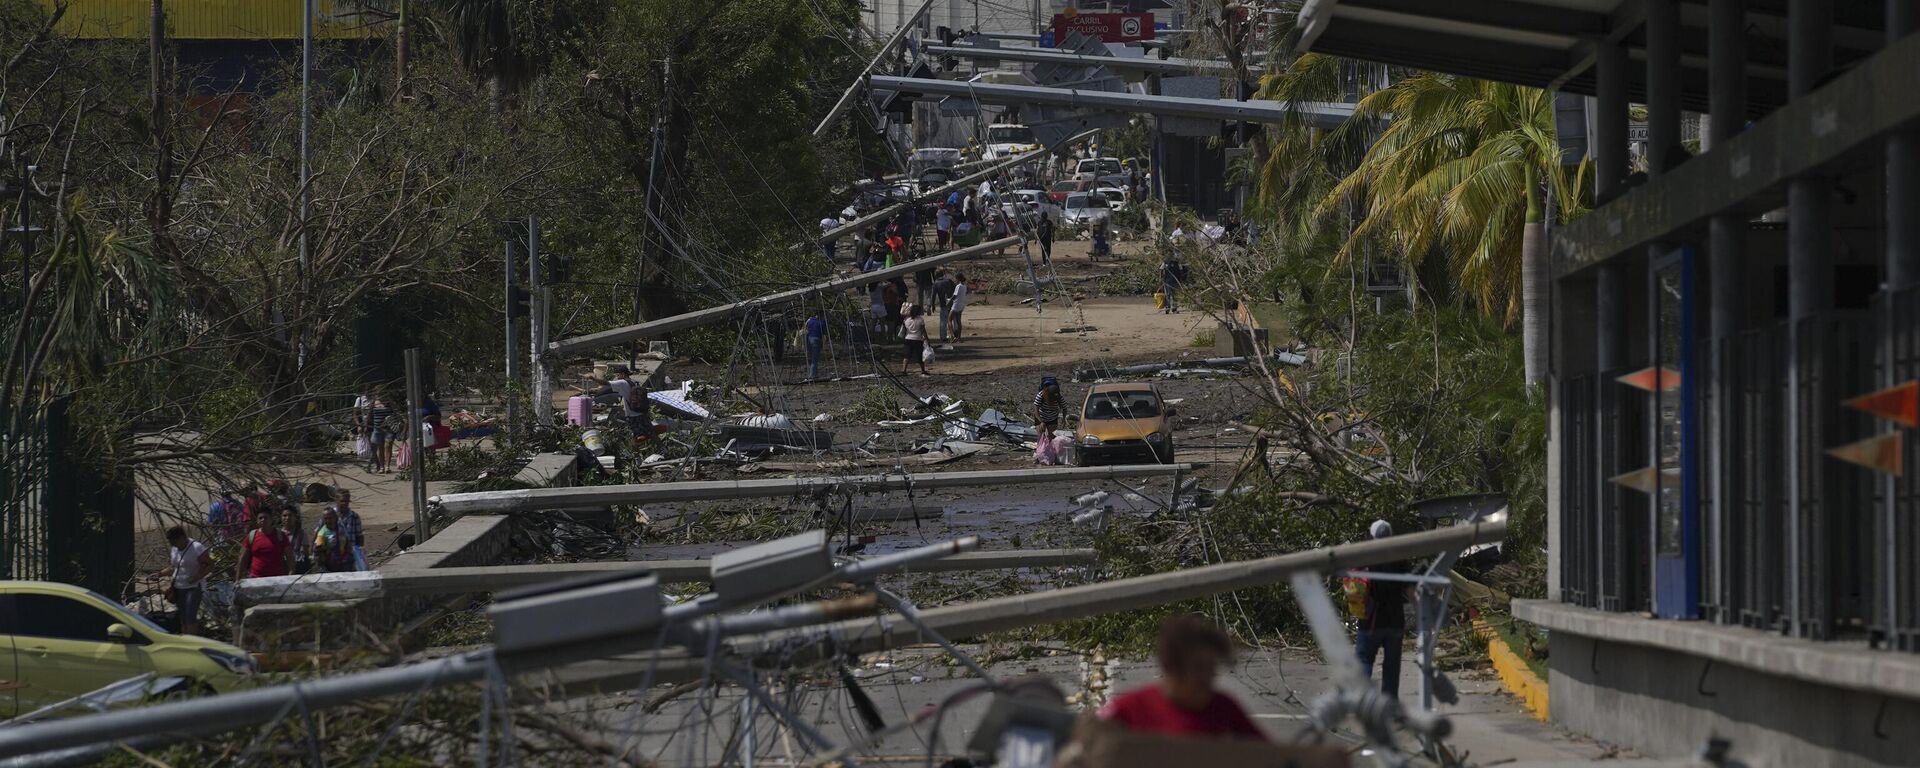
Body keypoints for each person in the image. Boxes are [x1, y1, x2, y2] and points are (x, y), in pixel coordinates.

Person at [1099, 614, 1267, 740]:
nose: (1207, 677)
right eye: (1198, 668)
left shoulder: (1225, 709)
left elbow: (1269, 755)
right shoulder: (1128, 710)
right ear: (1171, 666)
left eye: (1211, 667)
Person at [1355, 519, 1413, 696]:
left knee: (1364, 660)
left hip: (1371, 620)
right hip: (1395, 621)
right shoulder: (1399, 559)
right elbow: (1411, 590)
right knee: (1392, 665)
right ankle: (1390, 704)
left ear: (1371, 536)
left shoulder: (1365, 557)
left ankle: (1364, 702)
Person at [161, 526, 212, 636]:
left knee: (190, 616)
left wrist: (196, 577)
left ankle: (192, 640)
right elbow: (173, 567)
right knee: (183, 617)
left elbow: (210, 565)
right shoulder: (174, 549)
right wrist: (160, 574)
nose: (172, 544)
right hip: (178, 587)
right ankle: (185, 639)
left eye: (174, 541)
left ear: (181, 537)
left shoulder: (196, 547)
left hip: (193, 587)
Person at [236, 509, 291, 580]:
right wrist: (237, 579)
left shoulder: (280, 535)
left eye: (266, 517)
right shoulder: (252, 535)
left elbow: (290, 556)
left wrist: (291, 573)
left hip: (277, 579)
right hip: (255, 578)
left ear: (271, 519)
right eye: (260, 518)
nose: (263, 520)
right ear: (257, 521)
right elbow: (242, 558)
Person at [330, 490, 367, 571]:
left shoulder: (354, 516)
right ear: (336, 501)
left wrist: (360, 554)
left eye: (347, 501)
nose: (345, 504)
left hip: (350, 554)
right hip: (333, 554)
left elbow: (359, 536)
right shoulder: (329, 515)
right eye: (342, 501)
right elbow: (319, 533)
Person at [313, 508, 354, 572]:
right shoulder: (322, 534)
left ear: (335, 518)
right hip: (330, 566)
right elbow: (317, 552)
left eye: (330, 518)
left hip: (344, 563)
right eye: (326, 519)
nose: (328, 521)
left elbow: (347, 543)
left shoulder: (341, 528)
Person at [1031, 376, 1066, 442]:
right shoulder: (1040, 395)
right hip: (1040, 417)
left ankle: (1050, 451)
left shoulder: (1059, 398)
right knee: (1040, 437)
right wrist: (1041, 422)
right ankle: (1040, 450)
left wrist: (1064, 419)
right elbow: (1036, 411)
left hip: (1053, 417)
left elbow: (1064, 408)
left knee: (1051, 437)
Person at [281, 506, 312, 575]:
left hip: (298, 568)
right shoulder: (278, 534)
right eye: (284, 516)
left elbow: (306, 553)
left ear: (295, 517)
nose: (287, 518)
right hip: (282, 567)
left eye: (290, 515)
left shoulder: (301, 534)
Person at [901, 303, 930, 376]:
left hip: (908, 339)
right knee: (919, 356)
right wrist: (927, 340)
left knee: (907, 355)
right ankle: (923, 370)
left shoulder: (906, 319)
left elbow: (904, 330)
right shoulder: (920, 319)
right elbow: (923, 331)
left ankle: (904, 370)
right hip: (918, 339)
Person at [931, 270, 957, 343]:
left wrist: (932, 305)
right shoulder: (948, 280)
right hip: (951, 302)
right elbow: (955, 289)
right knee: (954, 319)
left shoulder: (936, 283)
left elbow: (933, 295)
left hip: (943, 304)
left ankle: (943, 336)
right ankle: (955, 334)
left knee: (943, 320)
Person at [805, 309, 828, 381]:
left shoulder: (809, 320)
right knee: (815, 359)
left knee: (810, 358)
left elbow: (805, 329)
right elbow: (824, 332)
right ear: (821, 315)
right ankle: (812, 376)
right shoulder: (822, 322)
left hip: (809, 339)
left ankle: (813, 373)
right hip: (816, 339)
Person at [947, 272, 969, 340]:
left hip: (956, 304)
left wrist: (949, 301)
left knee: (949, 319)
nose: (955, 280)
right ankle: (959, 337)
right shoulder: (964, 286)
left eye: (956, 278)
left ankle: (952, 336)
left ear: (958, 279)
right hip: (962, 305)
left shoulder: (958, 286)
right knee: (959, 321)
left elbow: (954, 295)